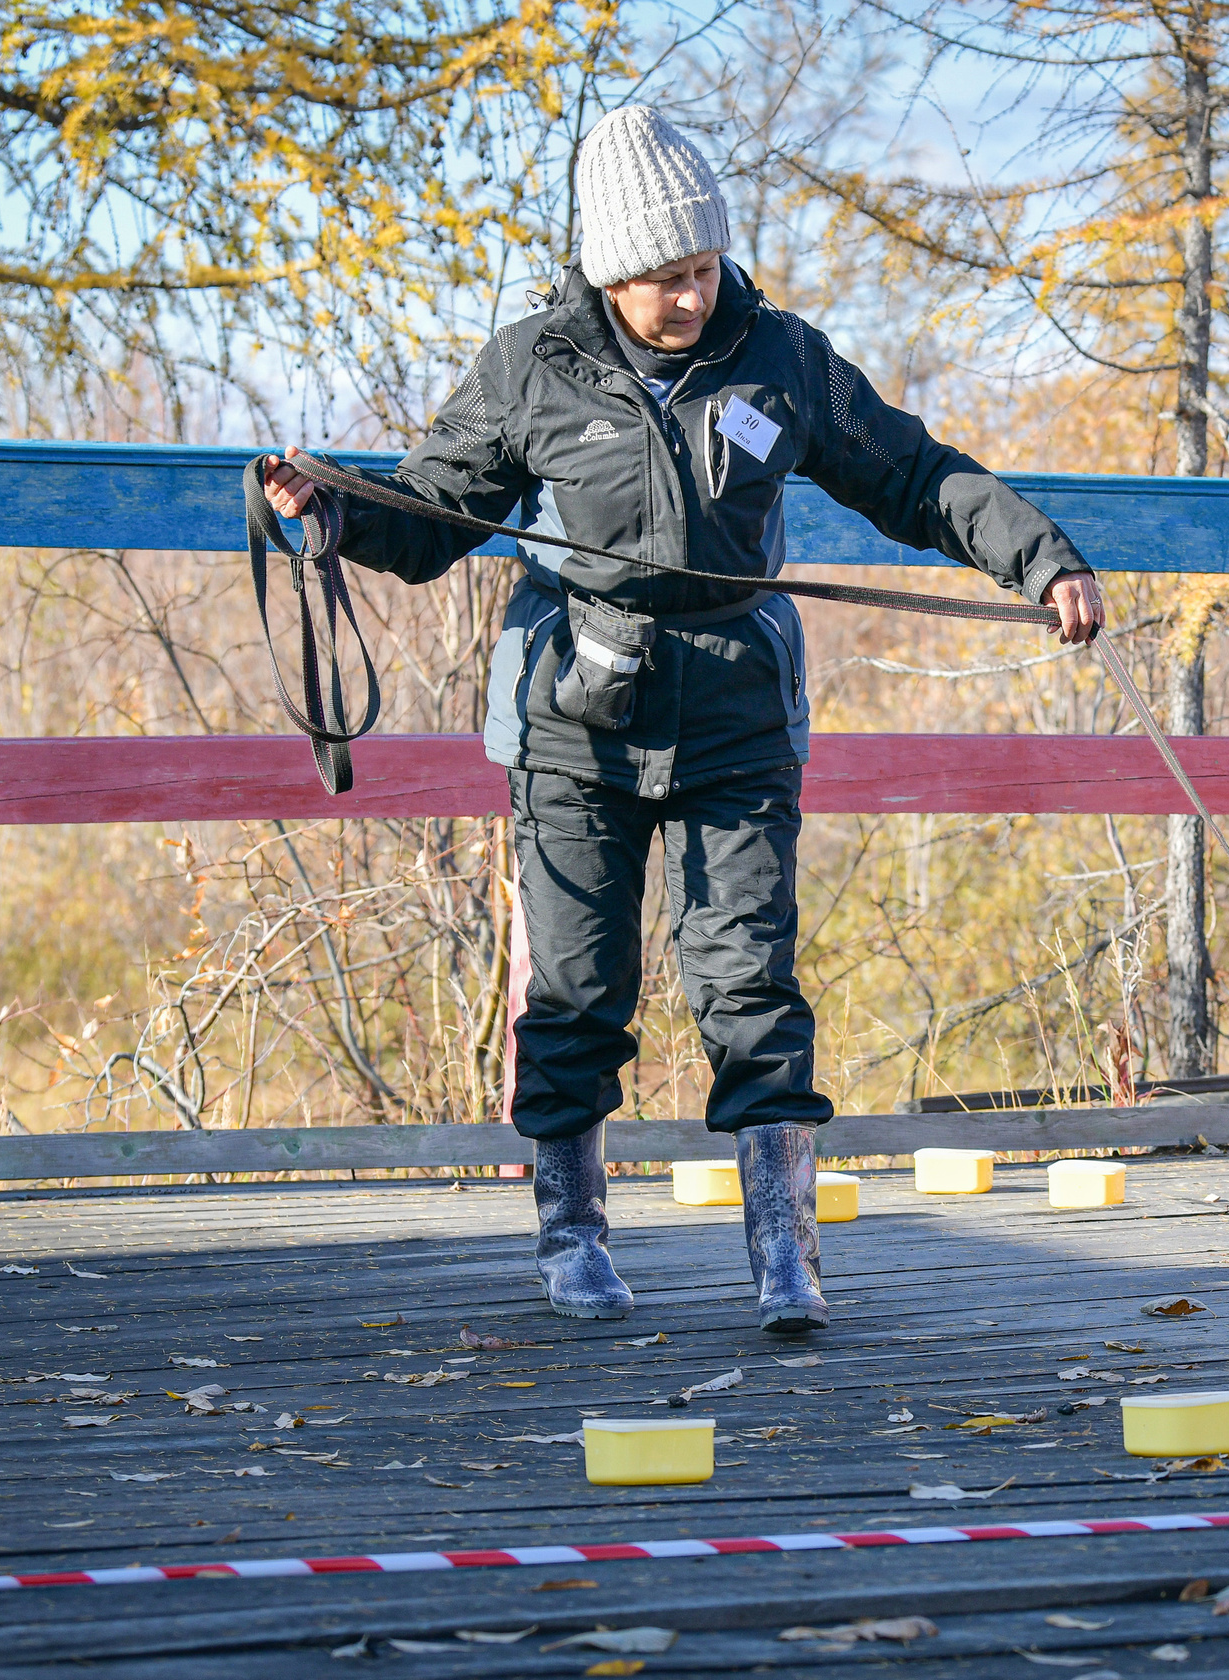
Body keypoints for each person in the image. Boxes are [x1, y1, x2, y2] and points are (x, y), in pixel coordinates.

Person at [263, 105, 1106, 1334]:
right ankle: (572, 1235)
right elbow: (434, 513)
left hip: (735, 715)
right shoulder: (530, 365)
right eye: (666, 277)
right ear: (610, 270)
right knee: (576, 985)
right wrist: (332, 516)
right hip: (573, 721)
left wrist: (1042, 560)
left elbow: (915, 476)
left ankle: (783, 1253)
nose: (692, 297)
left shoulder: (783, 358)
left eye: (704, 269)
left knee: (750, 981)